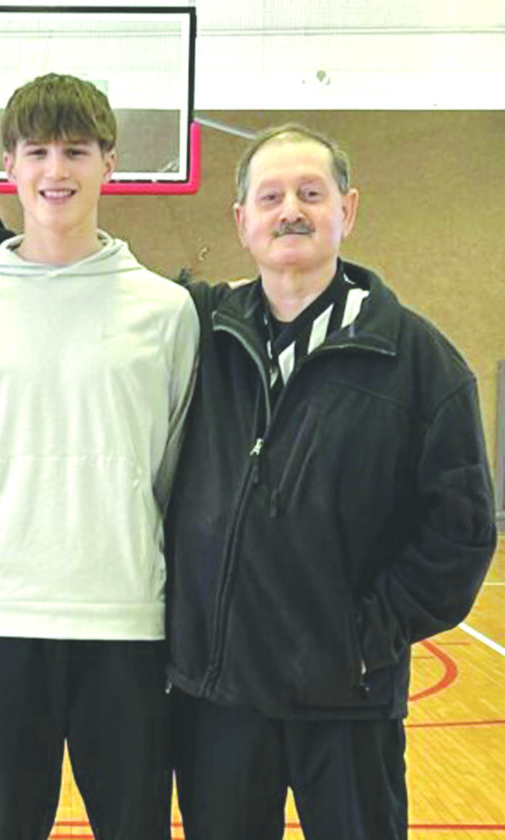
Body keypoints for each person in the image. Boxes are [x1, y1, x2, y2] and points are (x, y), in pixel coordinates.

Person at [163, 124, 497, 839]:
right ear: (242, 220)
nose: (291, 210)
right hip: (220, 700)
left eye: (310, 194)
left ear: (347, 209)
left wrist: (365, 639)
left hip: (351, 699)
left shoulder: (421, 362)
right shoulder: (199, 334)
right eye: (271, 196)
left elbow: (462, 534)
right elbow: (91, 279)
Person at [0, 73, 199, 840]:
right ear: (8, 166)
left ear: (109, 163)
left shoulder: (165, 311)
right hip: (0, 621)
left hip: (128, 622)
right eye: (38, 151)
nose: (57, 170)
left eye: (76, 151)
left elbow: (169, 470)